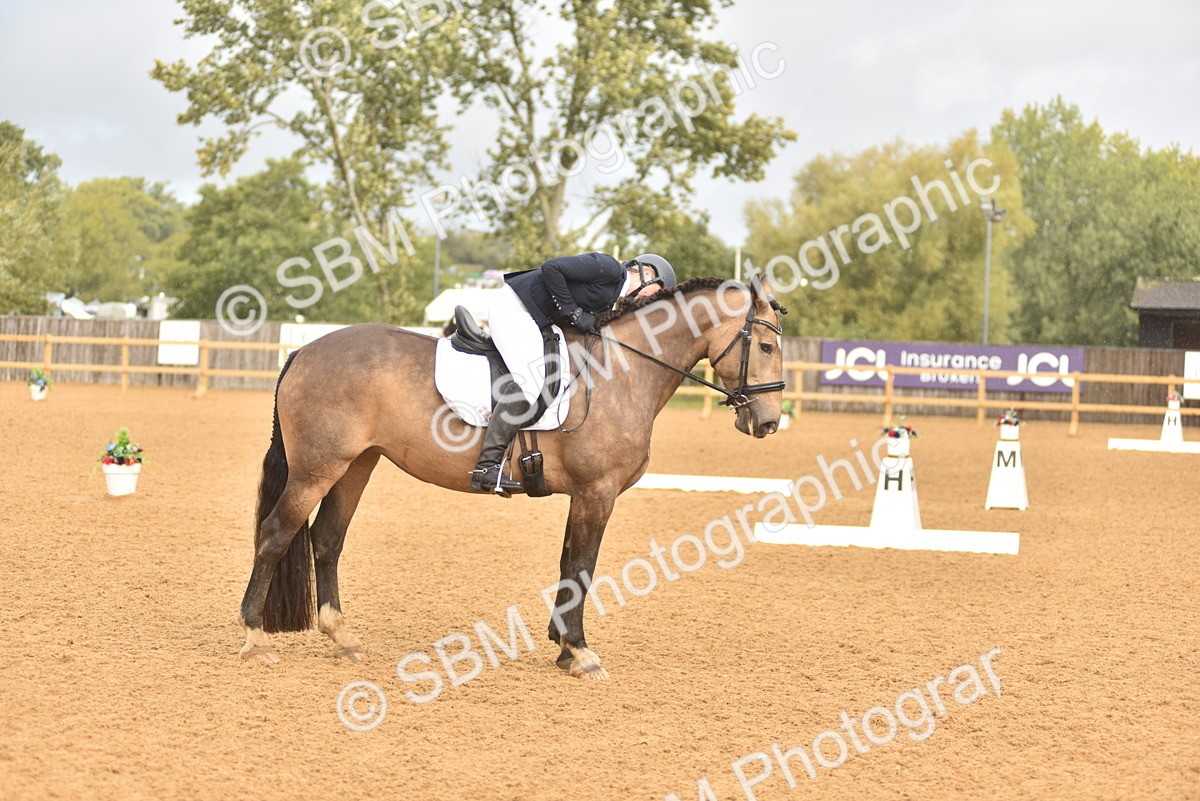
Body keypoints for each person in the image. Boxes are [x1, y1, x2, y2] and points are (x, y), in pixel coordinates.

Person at [469, 252, 677, 495]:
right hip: (516, 308)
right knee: (531, 382)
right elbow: (552, 268)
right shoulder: (609, 268)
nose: (650, 302)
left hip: (537, 317)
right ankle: (487, 467)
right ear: (648, 275)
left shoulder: (609, 301)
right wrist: (574, 312)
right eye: (656, 294)